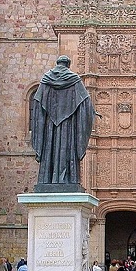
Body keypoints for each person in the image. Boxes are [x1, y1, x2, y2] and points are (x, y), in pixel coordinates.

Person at [31, 55, 97, 191]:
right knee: (67, 149)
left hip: (50, 127)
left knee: (51, 149)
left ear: (57, 64)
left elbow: (37, 103)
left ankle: (47, 179)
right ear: (68, 65)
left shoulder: (45, 80)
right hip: (69, 126)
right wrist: (91, 113)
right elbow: (86, 103)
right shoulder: (74, 80)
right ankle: (68, 179)